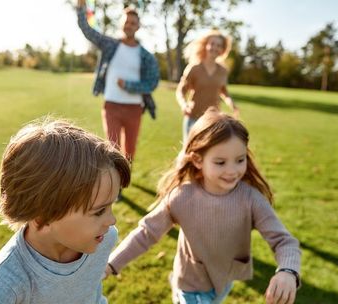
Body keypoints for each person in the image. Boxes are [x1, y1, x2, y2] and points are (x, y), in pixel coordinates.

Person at [105, 109, 301, 304]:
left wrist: (288, 271)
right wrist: (112, 264)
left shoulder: (251, 199)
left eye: (240, 160)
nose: (232, 171)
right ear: (198, 160)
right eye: (220, 162)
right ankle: (178, 289)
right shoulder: (182, 197)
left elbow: (284, 241)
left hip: (223, 281)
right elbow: (146, 233)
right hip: (191, 284)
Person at [0, 118, 131, 303]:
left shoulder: (104, 240)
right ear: (44, 214)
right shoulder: (4, 284)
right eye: (99, 211)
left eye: (111, 206)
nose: (112, 221)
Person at [76, 0, 160, 162]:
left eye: (133, 23)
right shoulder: (110, 45)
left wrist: (129, 86)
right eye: (126, 22)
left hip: (134, 109)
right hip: (111, 106)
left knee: (129, 152)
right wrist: (81, 7)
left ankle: (123, 180)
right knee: (112, 150)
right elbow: (87, 30)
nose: (129, 25)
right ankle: (116, 187)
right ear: (122, 24)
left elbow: (152, 83)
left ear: (138, 26)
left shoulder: (146, 56)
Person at [176, 30, 239, 142]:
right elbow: (180, 90)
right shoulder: (194, 68)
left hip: (213, 120)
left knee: (209, 155)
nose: (215, 48)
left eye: (219, 45)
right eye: (212, 44)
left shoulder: (223, 71)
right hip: (193, 117)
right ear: (206, 45)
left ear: (222, 50)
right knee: (189, 154)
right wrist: (183, 105)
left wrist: (231, 102)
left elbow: (224, 91)